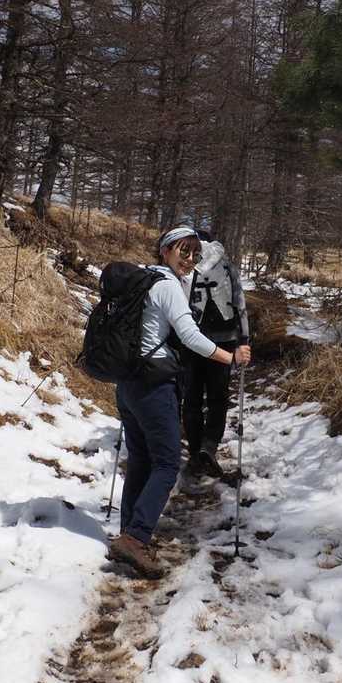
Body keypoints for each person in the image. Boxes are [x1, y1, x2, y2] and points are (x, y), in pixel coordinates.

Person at [107, 225, 252, 579]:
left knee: (141, 459)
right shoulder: (168, 285)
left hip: (128, 383)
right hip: (154, 384)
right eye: (183, 251)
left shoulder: (142, 279)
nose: (189, 259)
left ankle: (129, 533)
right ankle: (136, 538)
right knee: (167, 463)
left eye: (194, 253)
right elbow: (190, 336)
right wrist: (230, 357)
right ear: (165, 249)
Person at [183, 227, 250, 478]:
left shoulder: (186, 266)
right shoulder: (227, 267)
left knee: (191, 398)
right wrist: (244, 339)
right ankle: (208, 448)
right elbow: (240, 305)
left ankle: (195, 452)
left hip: (192, 340)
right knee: (217, 398)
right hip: (225, 341)